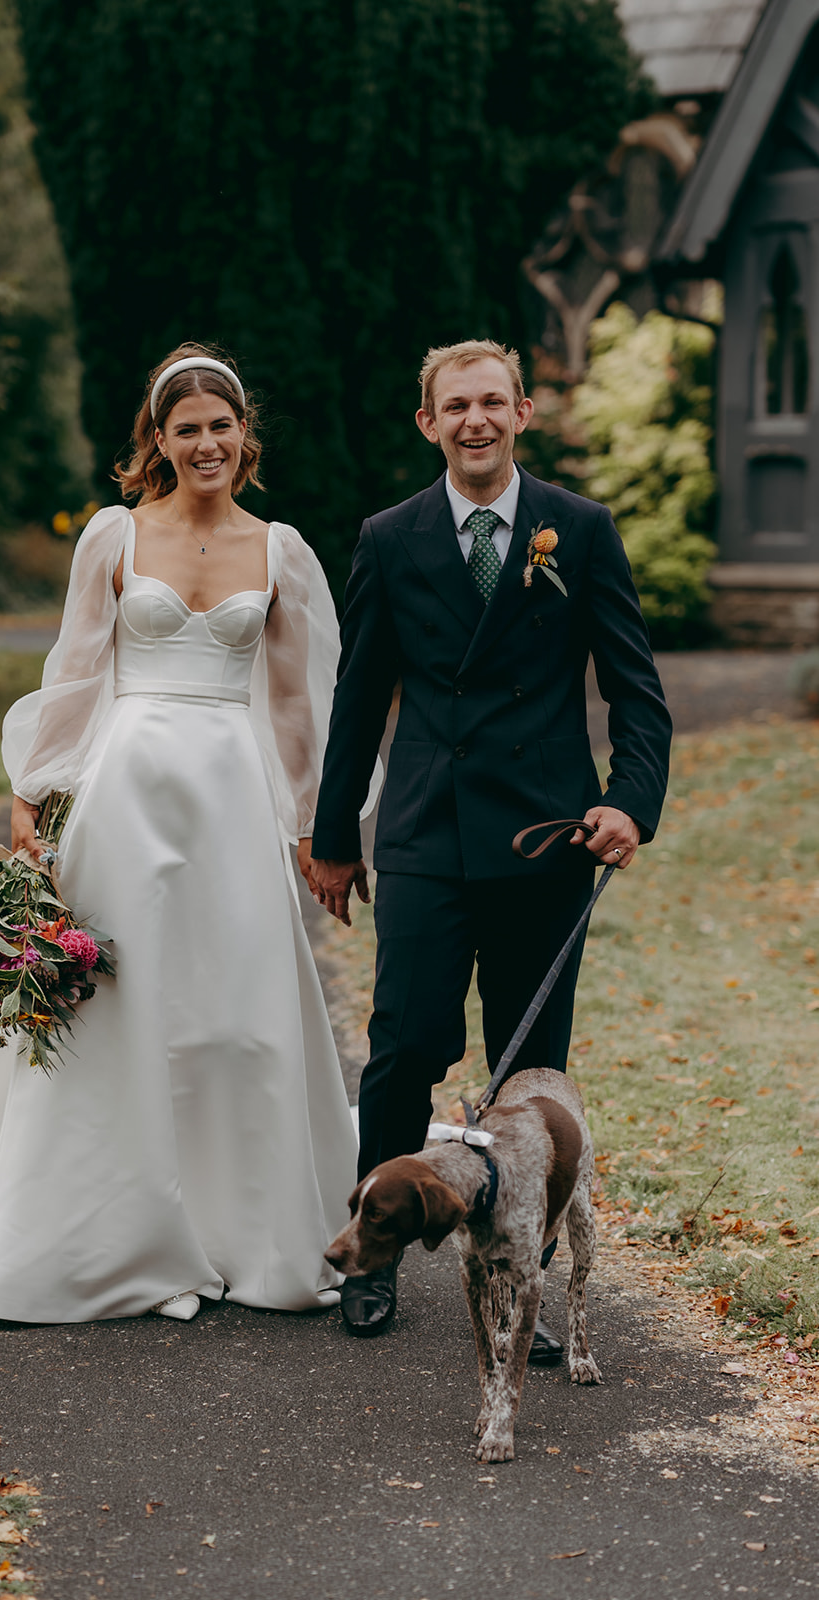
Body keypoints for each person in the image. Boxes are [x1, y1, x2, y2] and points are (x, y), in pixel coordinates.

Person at [0, 343, 362, 1323]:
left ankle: (243, 1229)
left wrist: (314, 825)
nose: (206, 442)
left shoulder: (280, 549)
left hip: (233, 807)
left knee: (238, 1014)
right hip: (126, 798)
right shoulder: (113, 536)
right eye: (186, 427)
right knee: (120, 1008)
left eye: (221, 425)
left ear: (246, 436)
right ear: (156, 440)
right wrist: (34, 791)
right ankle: (94, 1233)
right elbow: (75, 670)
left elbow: (298, 701)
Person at [308, 339, 672, 1348]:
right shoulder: (389, 537)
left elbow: (636, 693)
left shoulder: (582, 531)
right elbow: (357, 703)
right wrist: (337, 836)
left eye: (491, 402)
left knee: (527, 1078)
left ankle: (522, 1278)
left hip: (543, 838)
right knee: (404, 1045)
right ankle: (370, 1252)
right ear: (428, 422)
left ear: (520, 414)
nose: (474, 420)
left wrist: (629, 801)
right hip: (426, 831)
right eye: (453, 405)